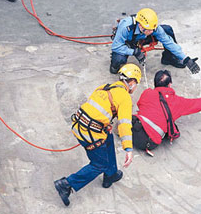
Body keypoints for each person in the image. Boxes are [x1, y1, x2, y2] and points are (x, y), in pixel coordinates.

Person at [54, 64, 141, 206]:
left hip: (79, 125)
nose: (135, 86)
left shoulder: (104, 87)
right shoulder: (125, 97)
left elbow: (94, 109)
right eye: (136, 83)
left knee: (108, 137)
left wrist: (105, 123)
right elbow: (125, 124)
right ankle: (66, 184)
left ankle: (111, 174)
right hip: (90, 134)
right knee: (99, 164)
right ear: (131, 82)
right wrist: (128, 149)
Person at [132, 70, 201, 154]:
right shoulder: (177, 101)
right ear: (169, 84)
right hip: (149, 143)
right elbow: (196, 104)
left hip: (133, 131)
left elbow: (140, 105)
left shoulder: (147, 92)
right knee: (170, 123)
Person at [110, 8, 200, 75]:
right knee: (119, 59)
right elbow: (116, 46)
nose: (153, 32)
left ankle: (168, 58)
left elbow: (168, 41)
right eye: (150, 30)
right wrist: (134, 52)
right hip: (128, 43)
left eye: (153, 29)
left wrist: (185, 59)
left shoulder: (152, 28)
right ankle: (114, 66)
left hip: (141, 38)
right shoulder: (126, 27)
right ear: (140, 26)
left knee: (167, 30)